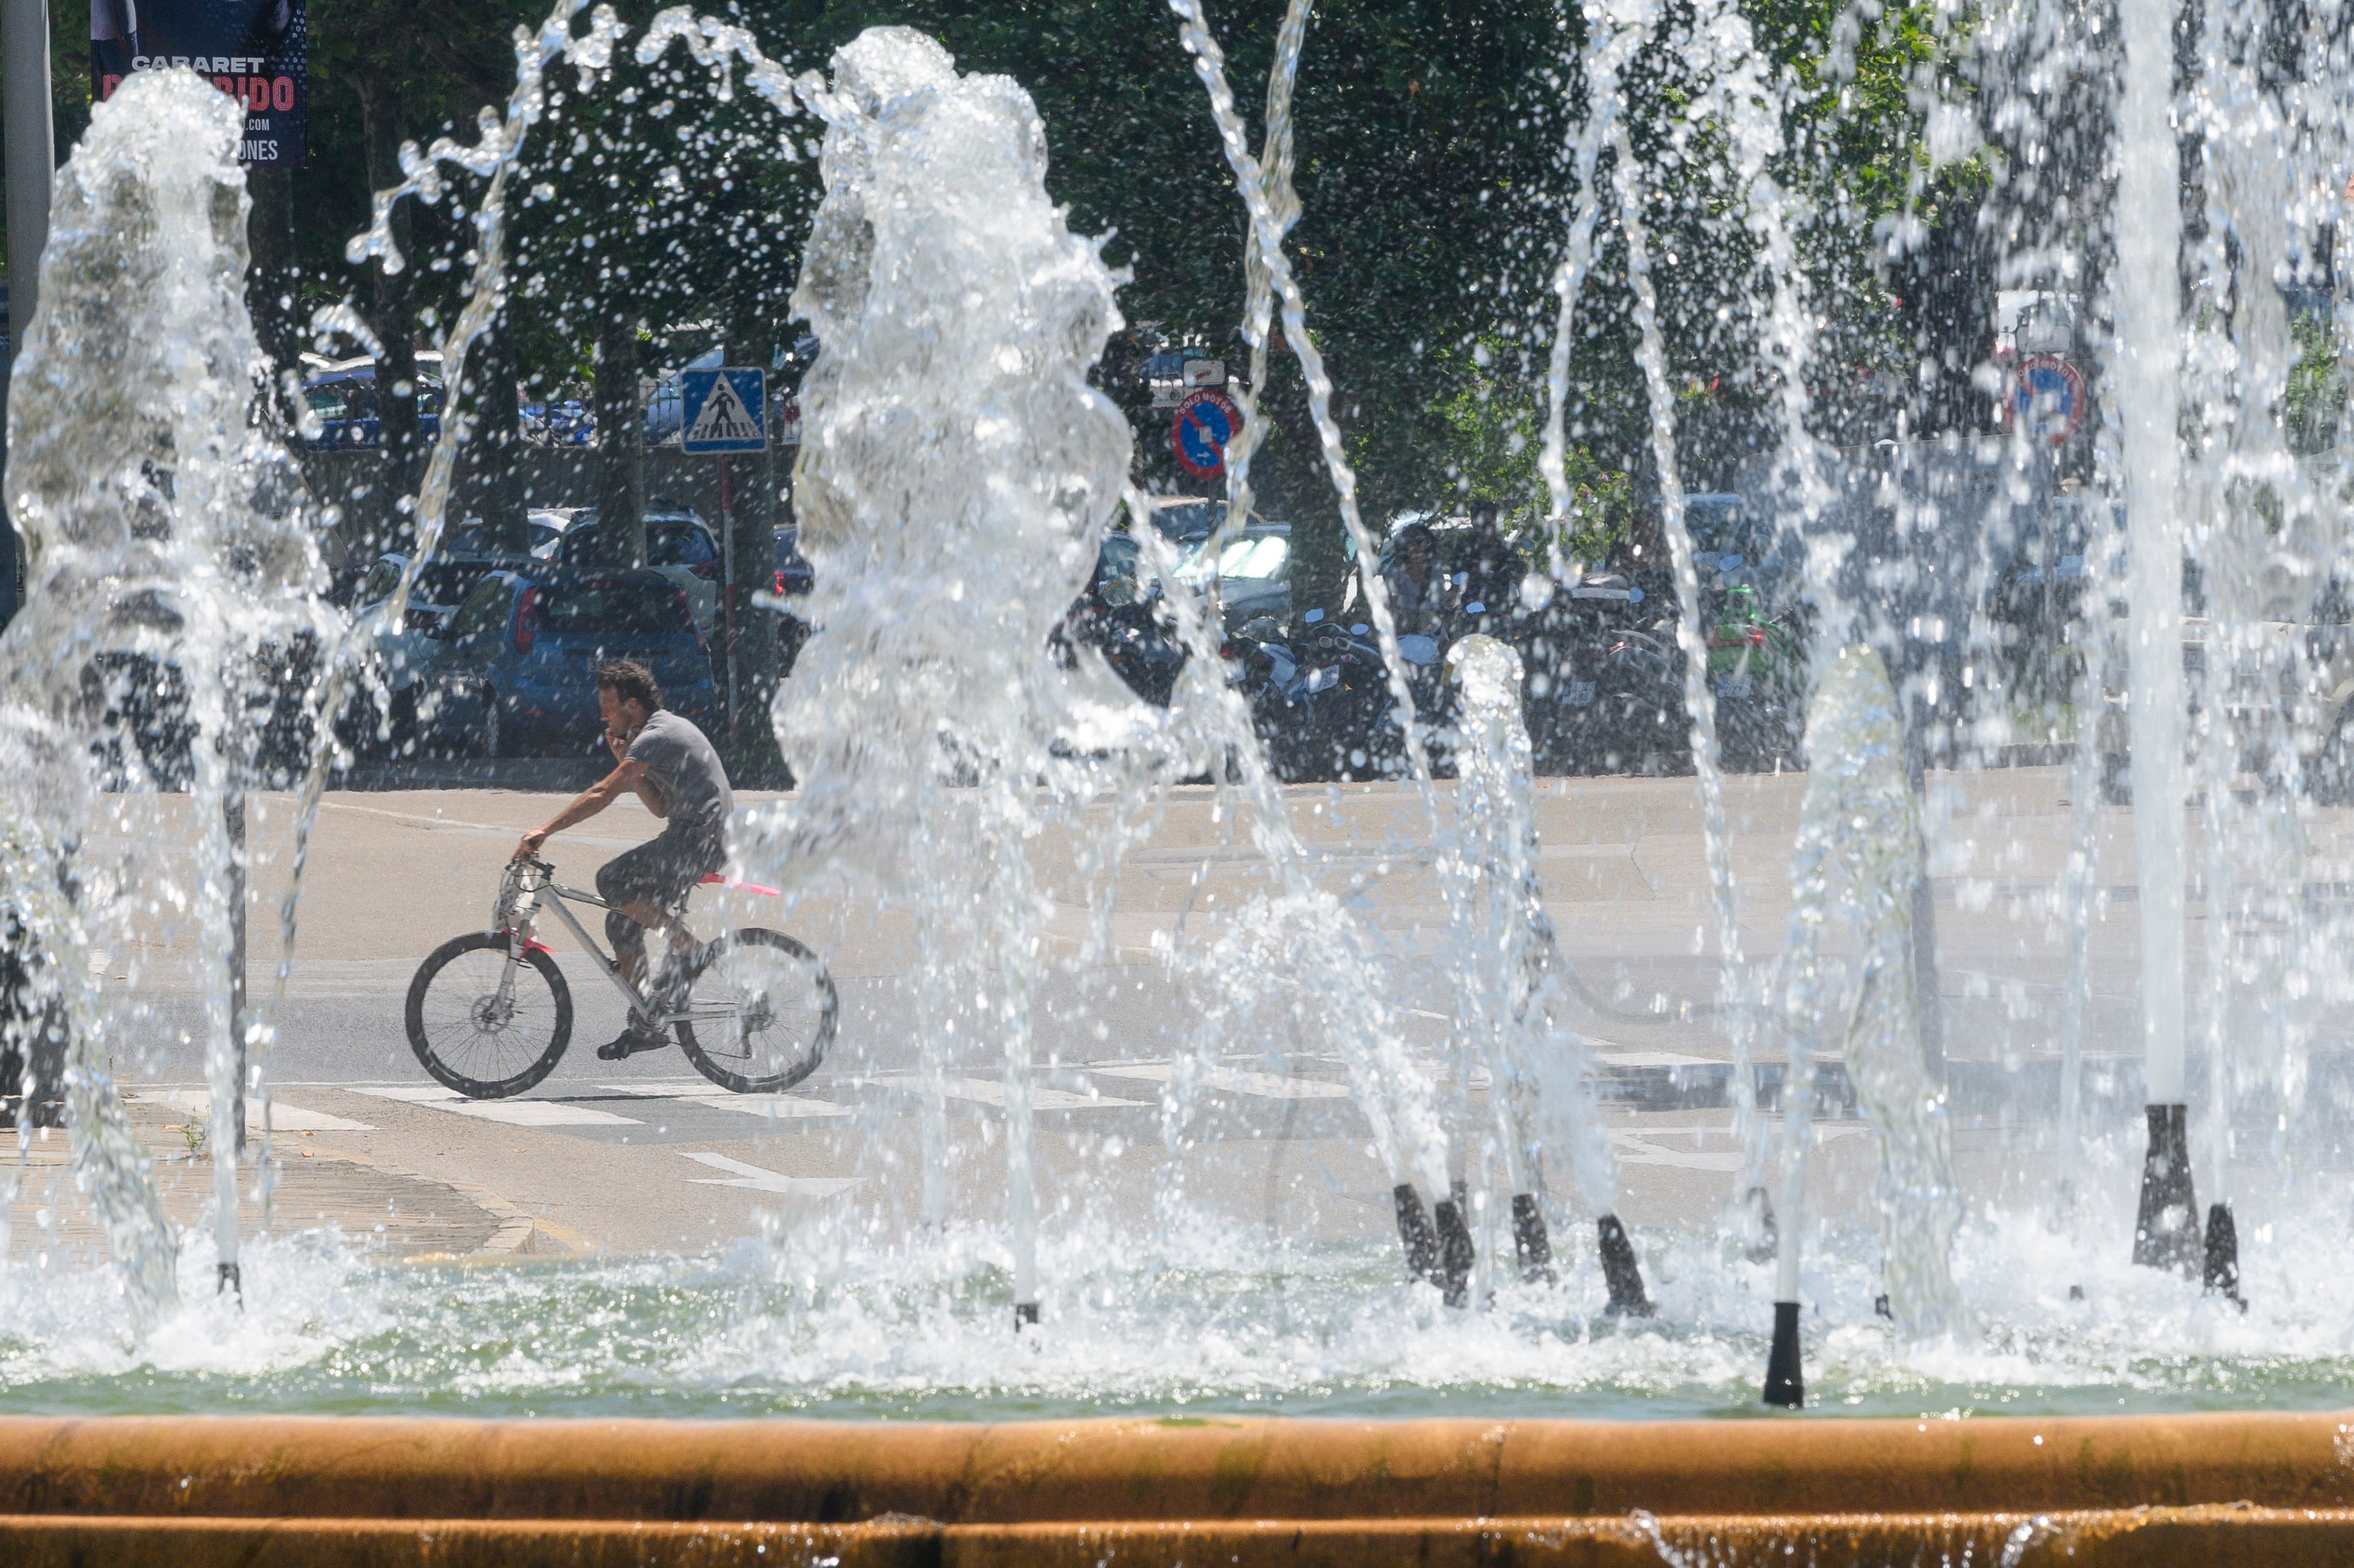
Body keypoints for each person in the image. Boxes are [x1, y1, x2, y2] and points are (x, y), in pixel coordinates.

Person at [512, 660, 734, 1060]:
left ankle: (692, 949)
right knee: (621, 922)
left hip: (701, 838)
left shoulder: (658, 733)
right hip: (689, 833)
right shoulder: (653, 737)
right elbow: (661, 808)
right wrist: (626, 767)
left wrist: (545, 830)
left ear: (632, 706)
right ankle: (647, 1022)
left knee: (612, 879)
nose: (603, 714)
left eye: (608, 704)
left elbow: (601, 795)